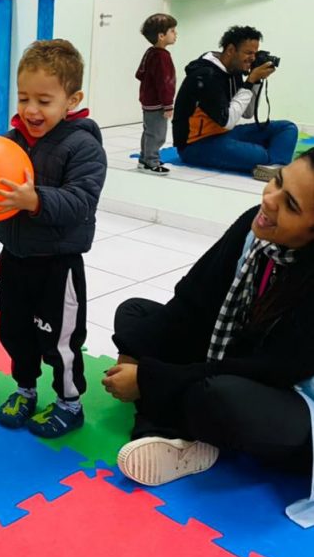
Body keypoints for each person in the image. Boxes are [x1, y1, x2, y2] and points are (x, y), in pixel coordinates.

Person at [103, 151, 314, 526]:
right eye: (278, 181)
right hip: (240, 359)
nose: (270, 200)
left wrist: (149, 378)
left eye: (291, 206)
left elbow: (267, 370)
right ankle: (181, 428)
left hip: (293, 403)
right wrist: (137, 353)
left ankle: (170, 432)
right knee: (134, 314)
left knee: (218, 397)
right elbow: (192, 299)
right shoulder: (254, 226)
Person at [0, 39, 107, 439]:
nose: (31, 110)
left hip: (58, 265)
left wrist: (35, 200)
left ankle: (69, 403)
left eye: (44, 100)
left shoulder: (83, 146)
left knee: (60, 340)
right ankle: (25, 389)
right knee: (14, 332)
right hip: (15, 257)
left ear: (72, 100)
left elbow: (82, 201)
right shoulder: (12, 140)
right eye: (24, 98)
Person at [172, 25, 297, 180]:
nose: (253, 58)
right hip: (196, 144)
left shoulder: (234, 70)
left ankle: (274, 167)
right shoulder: (206, 75)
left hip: (224, 134)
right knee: (260, 154)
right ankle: (274, 162)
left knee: (287, 128)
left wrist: (255, 81)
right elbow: (227, 121)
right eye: (249, 53)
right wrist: (249, 82)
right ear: (231, 50)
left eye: (255, 53)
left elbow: (247, 113)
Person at [135, 13, 177, 175]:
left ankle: (144, 159)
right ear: (161, 36)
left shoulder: (150, 52)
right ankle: (151, 162)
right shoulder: (162, 57)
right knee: (157, 134)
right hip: (158, 102)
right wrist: (168, 104)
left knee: (149, 131)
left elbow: (139, 74)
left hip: (148, 100)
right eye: (172, 31)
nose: (175, 34)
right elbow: (165, 83)